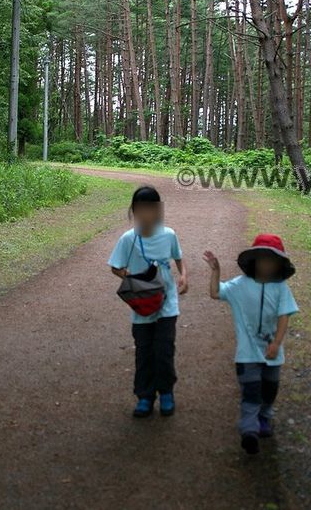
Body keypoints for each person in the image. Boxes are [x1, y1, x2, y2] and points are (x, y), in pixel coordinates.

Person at [202, 233, 299, 454]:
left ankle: (265, 416)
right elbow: (216, 293)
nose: (266, 265)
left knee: (270, 389)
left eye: (271, 261)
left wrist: (276, 343)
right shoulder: (239, 285)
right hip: (247, 354)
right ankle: (249, 430)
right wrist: (216, 271)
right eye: (262, 260)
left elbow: (285, 315)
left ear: (279, 265)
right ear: (254, 261)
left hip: (273, 354)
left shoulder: (281, 288)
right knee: (251, 390)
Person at [108, 185, 188, 418]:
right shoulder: (127, 239)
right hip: (141, 305)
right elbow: (115, 266)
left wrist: (184, 276)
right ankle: (144, 397)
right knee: (144, 351)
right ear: (134, 211)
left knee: (164, 349)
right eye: (141, 209)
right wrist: (134, 278)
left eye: (150, 209)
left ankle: (166, 393)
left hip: (167, 303)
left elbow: (179, 258)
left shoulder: (169, 235)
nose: (146, 213)